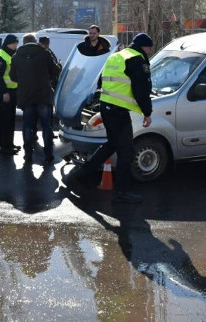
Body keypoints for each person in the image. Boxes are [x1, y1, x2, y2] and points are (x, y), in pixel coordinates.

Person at [63, 33, 154, 203]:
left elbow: (101, 82)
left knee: (112, 144)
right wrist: (147, 112)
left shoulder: (117, 55)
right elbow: (141, 89)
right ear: (144, 46)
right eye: (149, 47)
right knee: (127, 151)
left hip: (106, 106)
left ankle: (80, 175)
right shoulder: (136, 59)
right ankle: (122, 191)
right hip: (118, 111)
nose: (149, 51)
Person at [11, 33, 61, 164]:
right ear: (35, 41)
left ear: (23, 42)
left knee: (27, 126)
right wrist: (59, 65)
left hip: (26, 97)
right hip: (43, 95)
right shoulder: (44, 54)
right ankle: (48, 154)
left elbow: (13, 77)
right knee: (46, 126)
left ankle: (28, 154)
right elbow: (55, 72)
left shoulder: (16, 57)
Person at [0, 34, 20, 156]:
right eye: (14, 43)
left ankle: (10, 144)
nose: (15, 45)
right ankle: (4, 147)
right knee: (5, 120)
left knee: (11, 119)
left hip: (13, 91)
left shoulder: (11, 54)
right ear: (8, 43)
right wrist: (4, 92)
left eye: (16, 43)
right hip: (6, 93)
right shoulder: (0, 56)